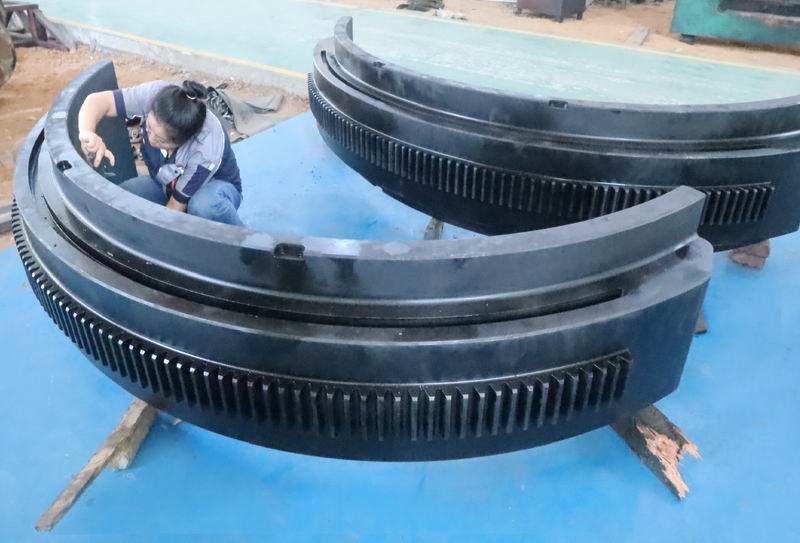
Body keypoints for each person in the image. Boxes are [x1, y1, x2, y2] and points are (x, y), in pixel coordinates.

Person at [77, 80, 244, 226]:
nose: (150, 140)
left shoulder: (204, 148)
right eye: (149, 128)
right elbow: (97, 101)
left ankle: (243, 244)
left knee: (203, 206)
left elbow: (175, 208)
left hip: (213, 191)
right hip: (165, 183)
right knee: (123, 199)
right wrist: (87, 133)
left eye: (161, 140)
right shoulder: (156, 96)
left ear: (181, 141)